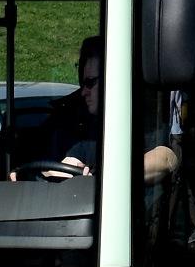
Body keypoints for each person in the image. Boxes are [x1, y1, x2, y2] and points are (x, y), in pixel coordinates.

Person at [43, 36, 178, 184]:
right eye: (83, 83)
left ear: (113, 80)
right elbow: (57, 161)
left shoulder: (142, 121)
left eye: (90, 83)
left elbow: (167, 158)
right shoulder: (76, 123)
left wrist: (106, 176)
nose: (83, 92)